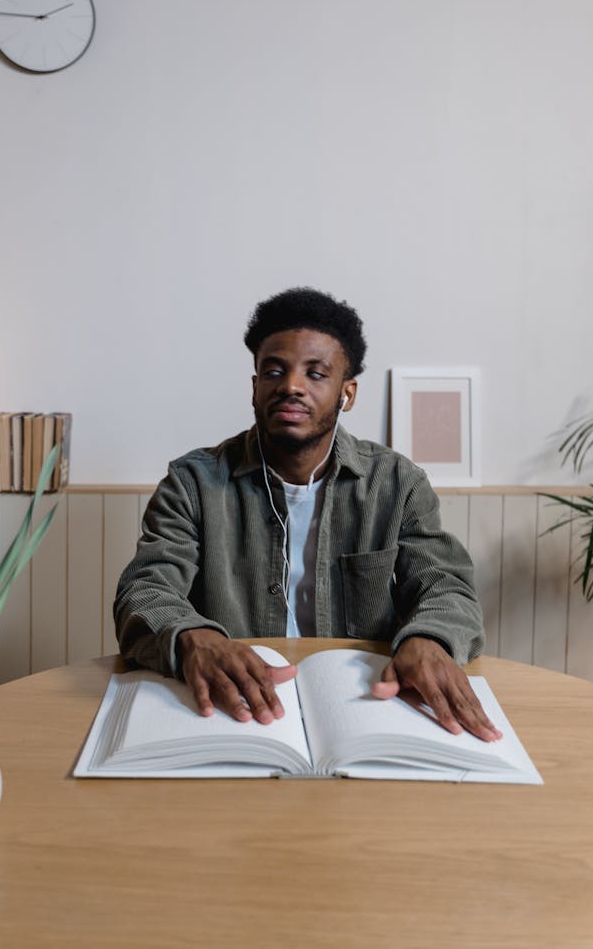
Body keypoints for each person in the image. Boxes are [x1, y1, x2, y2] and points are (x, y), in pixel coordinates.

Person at [115, 287, 500, 742]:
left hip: (363, 708)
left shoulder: (397, 484)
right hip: (230, 709)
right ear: (254, 385)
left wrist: (429, 639)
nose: (291, 385)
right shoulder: (192, 483)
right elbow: (145, 590)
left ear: (347, 393)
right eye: (273, 371)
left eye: (316, 373)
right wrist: (192, 637)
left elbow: (447, 588)